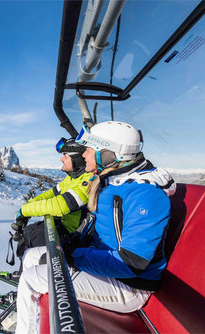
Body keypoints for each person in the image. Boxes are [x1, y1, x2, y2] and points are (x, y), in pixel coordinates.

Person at [14, 121, 176, 333]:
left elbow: (133, 262)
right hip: (107, 267)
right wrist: (76, 244)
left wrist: (73, 256)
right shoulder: (111, 183)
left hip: (130, 286)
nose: (83, 155)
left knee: (31, 279)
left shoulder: (144, 194)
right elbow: (105, 234)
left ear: (109, 155)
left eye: (89, 150)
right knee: (33, 256)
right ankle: (30, 315)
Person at [0, 138, 93, 286]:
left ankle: (36, 284)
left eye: (65, 156)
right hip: (62, 227)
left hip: (74, 236)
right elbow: (50, 194)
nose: (61, 159)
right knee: (29, 232)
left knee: (35, 235)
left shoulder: (89, 180)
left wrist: (25, 210)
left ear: (77, 159)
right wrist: (28, 207)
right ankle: (26, 274)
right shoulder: (72, 178)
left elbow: (61, 205)